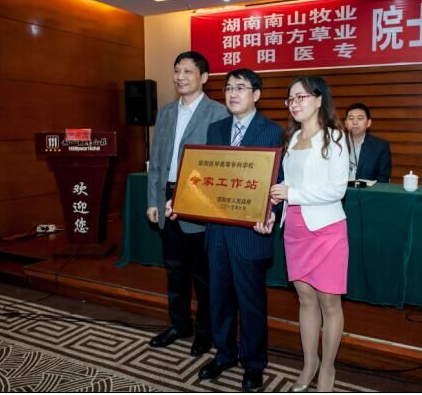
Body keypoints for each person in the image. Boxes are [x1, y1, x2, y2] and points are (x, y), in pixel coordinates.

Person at [168, 68, 283, 391]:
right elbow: (206, 175)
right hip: (217, 231)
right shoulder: (216, 129)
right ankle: (224, 354)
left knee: (250, 301)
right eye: (229, 88)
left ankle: (254, 363)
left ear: (256, 95)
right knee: (218, 297)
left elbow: (280, 181)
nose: (233, 93)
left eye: (241, 88)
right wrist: (181, 199)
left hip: (251, 233)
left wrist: (271, 212)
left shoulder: (273, 131)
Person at [269, 75, 349, 392]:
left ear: (319, 99)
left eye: (301, 97)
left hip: (327, 229)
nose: (295, 103)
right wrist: (277, 199)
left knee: (329, 302)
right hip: (295, 227)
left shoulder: (335, 138)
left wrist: (292, 193)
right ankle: (309, 363)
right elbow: (288, 185)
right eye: (291, 98)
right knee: (305, 299)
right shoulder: (290, 140)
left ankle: (327, 368)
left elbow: (336, 190)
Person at [146, 51, 228, 355]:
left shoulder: (219, 113)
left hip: (198, 201)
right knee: (175, 269)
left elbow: (220, 165)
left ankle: (205, 332)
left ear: (204, 77)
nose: (180, 77)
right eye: (177, 70)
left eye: (188, 71)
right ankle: (179, 324)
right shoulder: (166, 112)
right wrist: (154, 200)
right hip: (166, 196)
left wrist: (198, 200)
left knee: (203, 275)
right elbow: (156, 160)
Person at [344, 103, 391, 182]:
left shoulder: (380, 146)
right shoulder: (335, 144)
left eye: (360, 118)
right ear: (345, 123)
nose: (355, 122)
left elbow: (383, 179)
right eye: (351, 118)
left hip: (368, 189)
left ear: (368, 123)